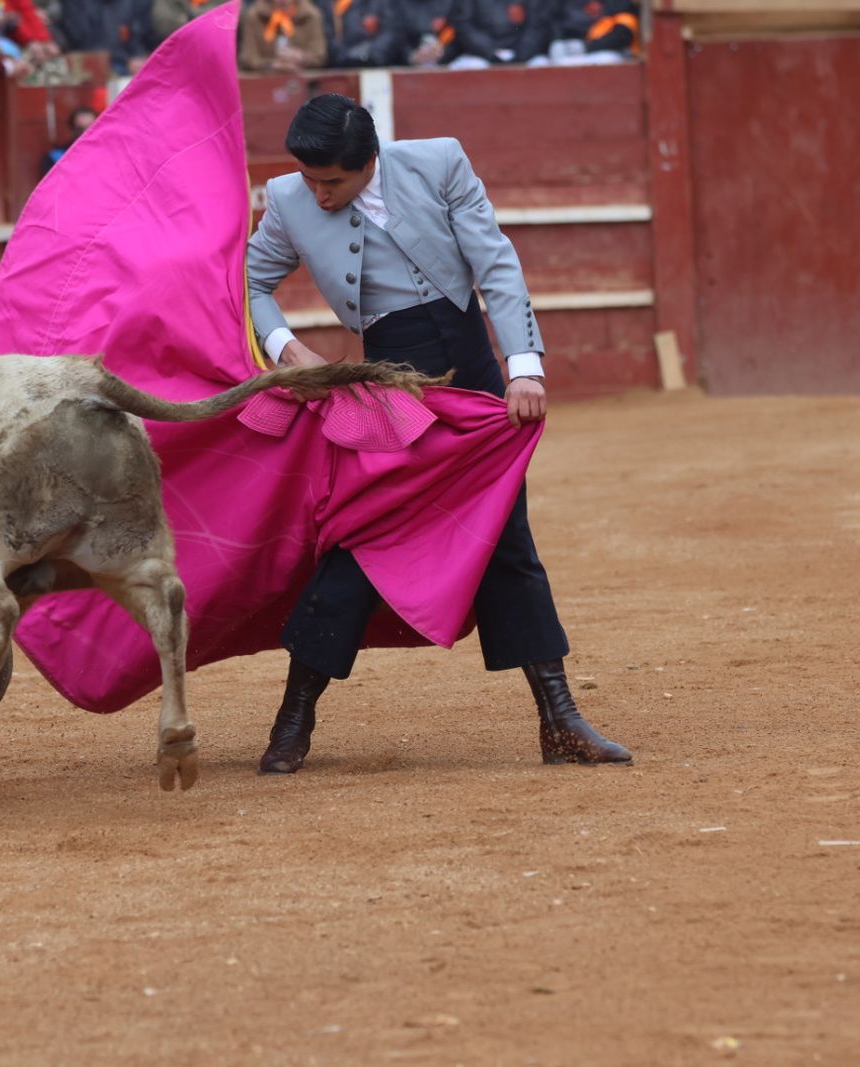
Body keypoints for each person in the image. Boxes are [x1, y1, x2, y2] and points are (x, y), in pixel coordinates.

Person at [245, 93, 633, 775]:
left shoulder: (439, 163)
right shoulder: (287, 198)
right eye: (310, 180)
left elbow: (496, 264)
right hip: (387, 382)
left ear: (370, 162)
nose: (318, 195)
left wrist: (524, 367)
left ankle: (559, 720)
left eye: (331, 182)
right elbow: (247, 282)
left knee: (505, 536)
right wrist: (285, 347)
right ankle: (293, 716)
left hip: (473, 374)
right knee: (366, 536)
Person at [444, 0, 550, 68]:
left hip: (522, 53)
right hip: (481, 55)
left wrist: (521, 55)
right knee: (472, 67)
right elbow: (463, 25)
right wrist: (490, 53)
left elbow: (537, 26)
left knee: (542, 65)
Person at [237, 0, 324, 73]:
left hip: (301, 80)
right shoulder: (254, 16)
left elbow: (319, 56)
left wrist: (301, 57)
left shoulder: (311, 16)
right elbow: (248, 58)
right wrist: (272, 65)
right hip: (264, 82)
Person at [321, 0, 400, 68]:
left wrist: (370, 54)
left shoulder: (378, 3)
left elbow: (391, 30)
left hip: (376, 64)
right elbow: (326, 35)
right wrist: (345, 56)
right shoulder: (327, 5)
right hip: (340, 67)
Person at [38, 102, 95, 175]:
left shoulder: (105, 154)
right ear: (71, 129)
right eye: (80, 129)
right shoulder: (56, 156)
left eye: (90, 128)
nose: (85, 132)